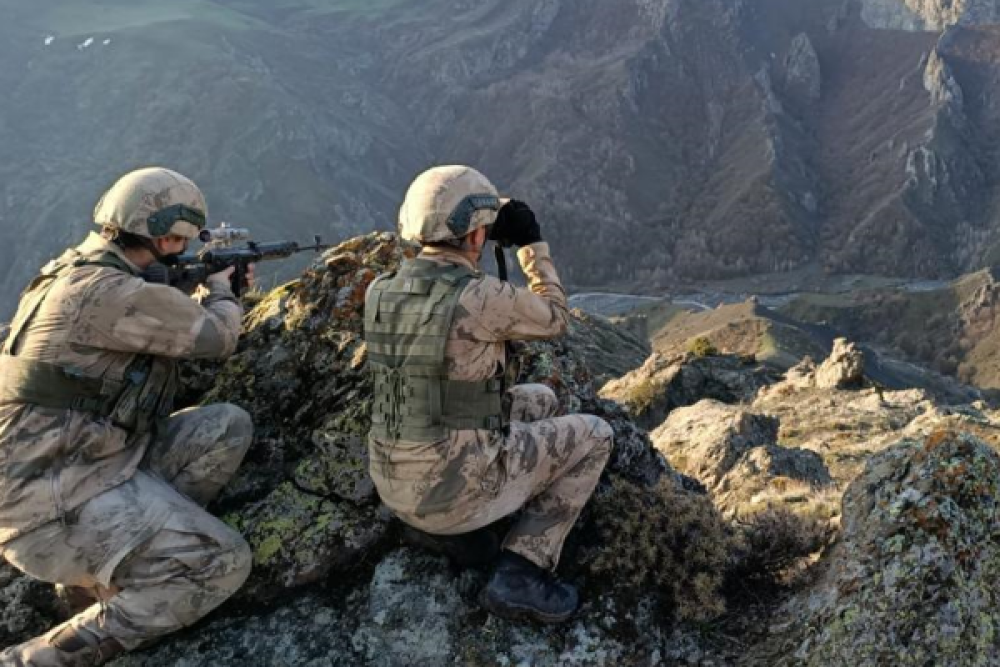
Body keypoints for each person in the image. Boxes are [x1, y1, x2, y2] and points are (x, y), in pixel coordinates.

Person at [0, 167, 254, 666]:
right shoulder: (111, 293)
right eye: (180, 241)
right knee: (221, 561)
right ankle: (41, 657)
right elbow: (215, 338)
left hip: (79, 466)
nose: (183, 251)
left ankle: (104, 571)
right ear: (162, 235)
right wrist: (223, 293)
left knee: (223, 428)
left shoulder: (76, 272)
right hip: (49, 507)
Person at [364, 165, 614, 624]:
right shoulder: (479, 297)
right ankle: (523, 570)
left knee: (539, 398)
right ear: (477, 235)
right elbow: (557, 319)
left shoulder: (381, 289)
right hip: (453, 491)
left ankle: (450, 534)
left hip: (395, 486)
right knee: (595, 434)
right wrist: (532, 247)